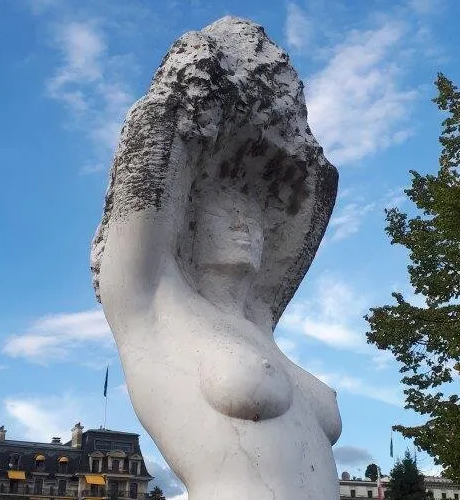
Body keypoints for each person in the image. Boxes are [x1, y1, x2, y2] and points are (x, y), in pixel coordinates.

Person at [90, 18, 342, 499]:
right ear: (186, 220)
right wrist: (204, 73)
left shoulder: (258, 319)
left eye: (255, 218)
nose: (249, 228)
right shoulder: (151, 301)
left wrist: (287, 130)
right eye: (229, 213)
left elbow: (317, 191)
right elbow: (155, 142)